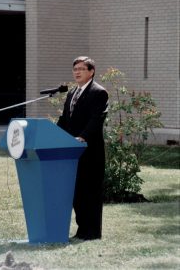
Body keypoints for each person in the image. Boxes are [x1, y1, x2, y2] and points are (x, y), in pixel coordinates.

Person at [57, 56, 108, 240]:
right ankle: (81, 230)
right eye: (75, 69)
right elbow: (64, 120)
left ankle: (92, 232)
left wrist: (82, 137)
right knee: (77, 192)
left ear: (91, 71)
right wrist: (54, 135)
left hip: (90, 151)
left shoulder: (99, 92)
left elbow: (96, 119)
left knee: (90, 192)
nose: (77, 72)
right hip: (71, 151)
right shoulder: (72, 93)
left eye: (81, 69)